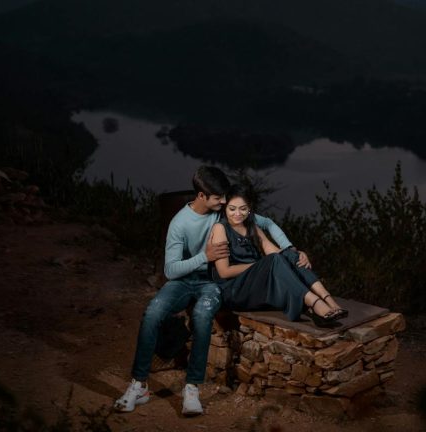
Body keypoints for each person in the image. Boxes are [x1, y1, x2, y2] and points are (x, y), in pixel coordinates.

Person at [114, 166, 307, 416]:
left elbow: (267, 223)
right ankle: (139, 385)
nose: (224, 201)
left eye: (224, 196)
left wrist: (290, 249)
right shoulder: (180, 223)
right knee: (152, 313)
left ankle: (192, 388)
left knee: (202, 315)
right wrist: (204, 257)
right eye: (218, 197)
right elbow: (171, 270)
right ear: (201, 196)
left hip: (213, 283)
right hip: (183, 281)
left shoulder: (223, 213)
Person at [211, 186, 347, 327]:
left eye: (243, 209)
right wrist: (259, 266)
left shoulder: (251, 226)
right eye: (232, 209)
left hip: (256, 285)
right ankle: (314, 302)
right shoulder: (220, 228)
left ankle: (328, 300)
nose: (238, 214)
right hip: (235, 291)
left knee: (289, 254)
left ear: (249, 208)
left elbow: (276, 252)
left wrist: (297, 255)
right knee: (274, 259)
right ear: (225, 208)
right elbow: (224, 272)